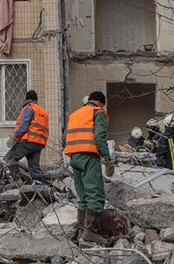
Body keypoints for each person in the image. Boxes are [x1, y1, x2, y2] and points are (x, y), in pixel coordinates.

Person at [65, 91, 112, 244]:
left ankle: (81, 232)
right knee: (95, 194)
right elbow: (100, 137)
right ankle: (91, 232)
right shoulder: (98, 113)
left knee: (83, 196)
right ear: (100, 103)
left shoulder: (75, 114)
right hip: (89, 156)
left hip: (74, 157)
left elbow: (64, 136)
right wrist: (107, 159)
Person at [5, 90, 48, 181]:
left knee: (9, 158)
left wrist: (14, 137)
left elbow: (23, 126)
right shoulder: (43, 112)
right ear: (36, 100)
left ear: (27, 100)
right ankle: (38, 186)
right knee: (34, 168)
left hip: (28, 141)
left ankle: (17, 182)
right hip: (38, 143)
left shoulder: (29, 108)